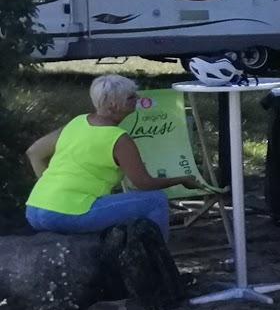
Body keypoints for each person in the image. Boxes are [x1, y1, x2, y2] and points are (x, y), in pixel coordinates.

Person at [24, 74, 200, 239]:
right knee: (156, 200)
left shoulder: (77, 122)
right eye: (131, 97)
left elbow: (34, 152)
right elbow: (143, 184)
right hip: (69, 213)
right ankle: (158, 261)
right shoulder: (118, 139)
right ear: (114, 105)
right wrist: (182, 179)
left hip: (35, 208)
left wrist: (52, 196)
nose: (137, 99)